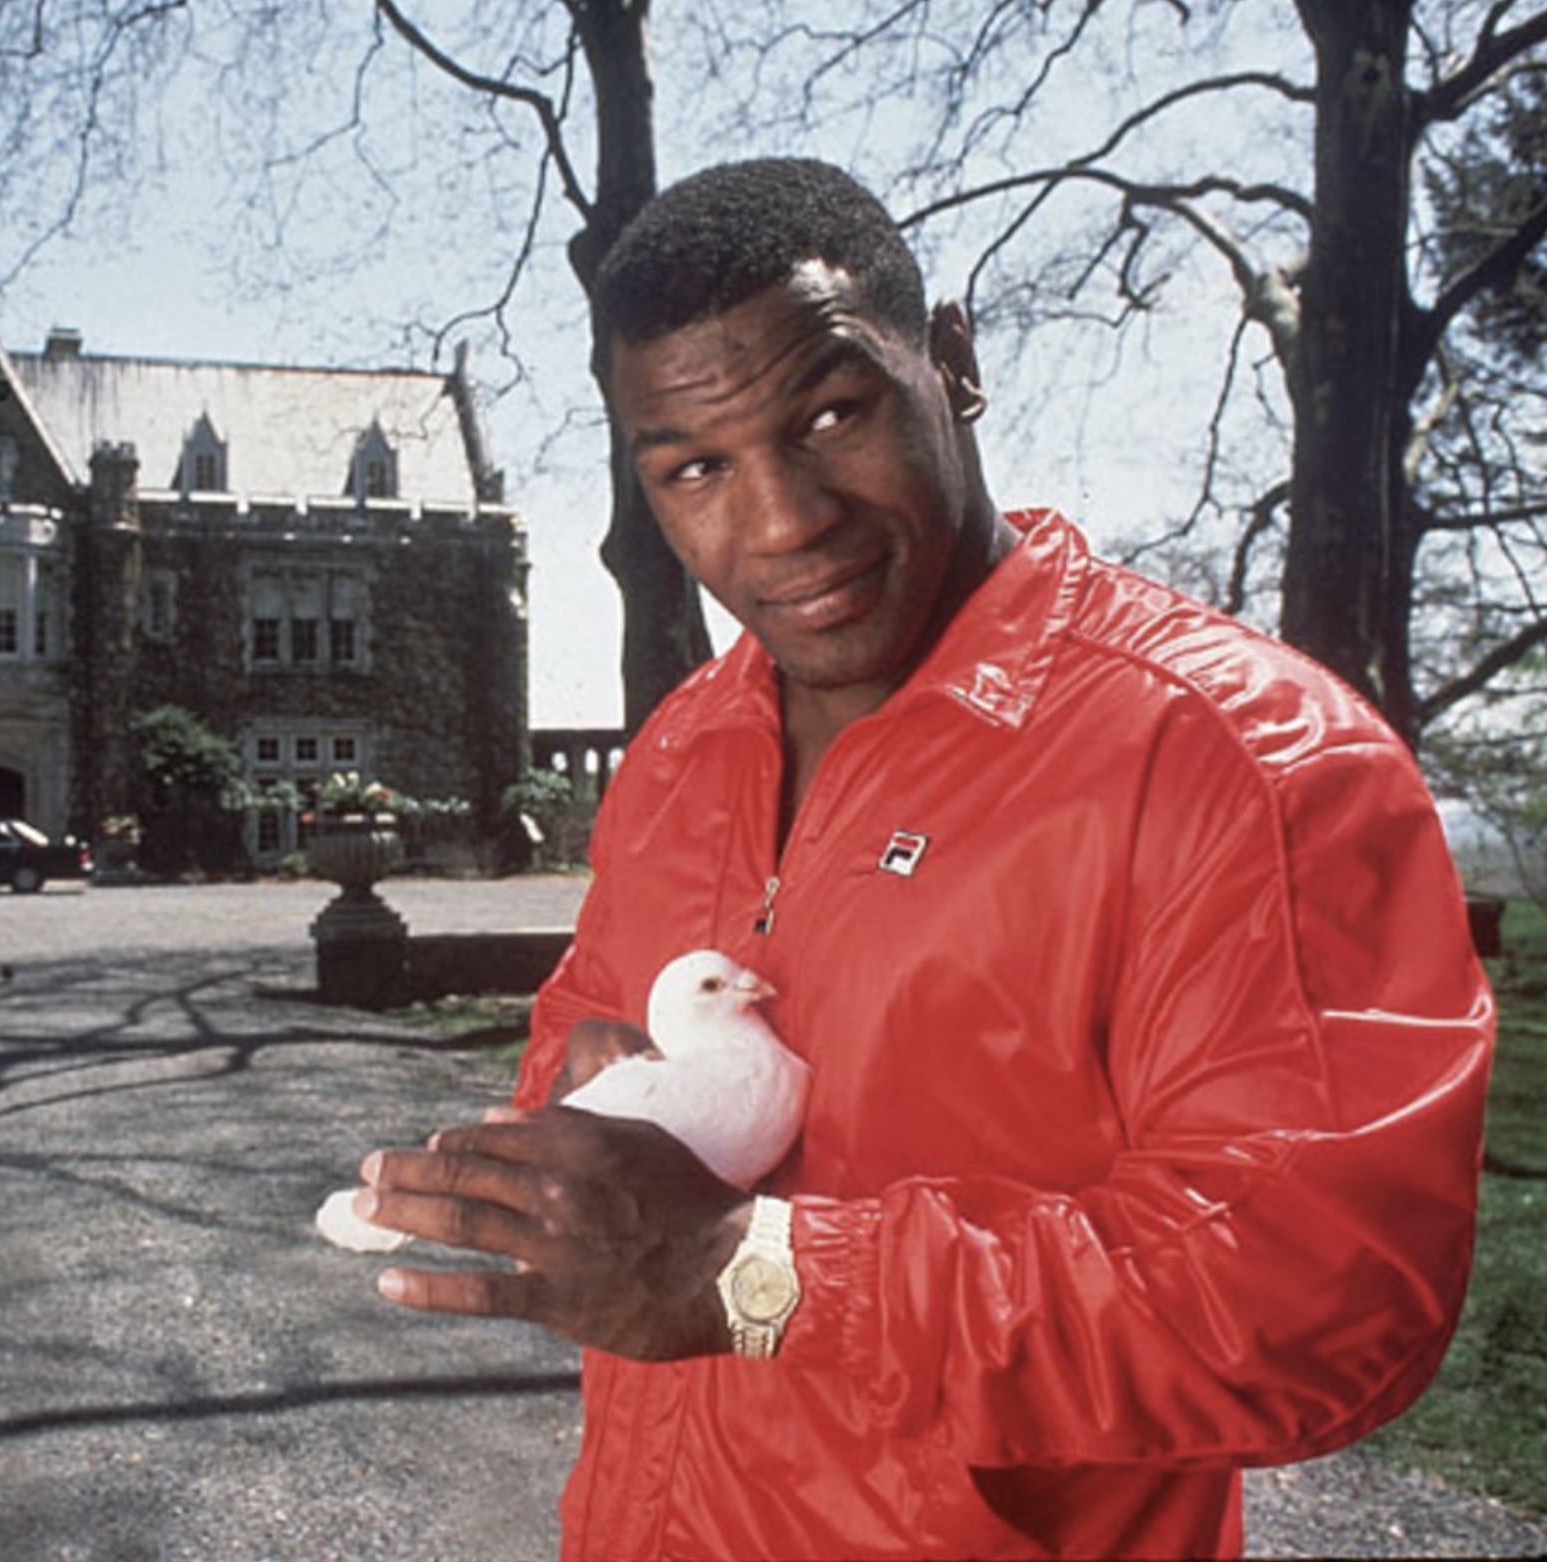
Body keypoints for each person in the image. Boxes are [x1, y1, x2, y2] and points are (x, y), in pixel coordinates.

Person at [348, 159, 1494, 1560]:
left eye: (831, 412)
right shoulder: (682, 752)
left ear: (951, 361)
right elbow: (579, 1058)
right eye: (696, 468)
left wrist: (766, 1271)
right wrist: (577, 1104)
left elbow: (1324, 1301)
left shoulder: (1236, 755)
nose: (780, 519)